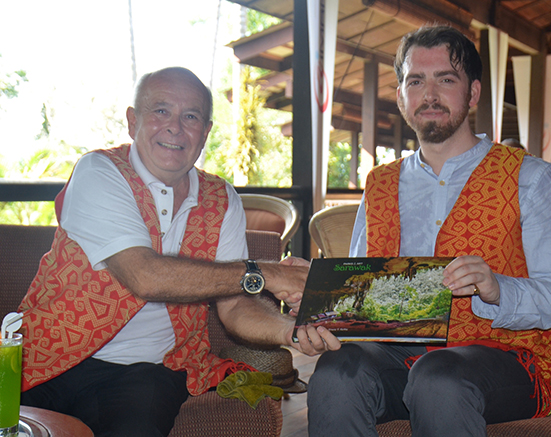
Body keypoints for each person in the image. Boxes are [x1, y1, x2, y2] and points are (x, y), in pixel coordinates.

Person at [18, 66, 339, 437]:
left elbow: (235, 305)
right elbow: (145, 276)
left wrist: (292, 331)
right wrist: (271, 272)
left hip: (147, 371)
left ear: (205, 132)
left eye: (190, 116)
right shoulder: (100, 171)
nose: (175, 127)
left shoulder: (222, 200)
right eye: (160, 111)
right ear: (132, 121)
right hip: (49, 358)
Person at [307, 25, 551, 436]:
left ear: (472, 93)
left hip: (505, 360)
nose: (429, 94)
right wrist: (319, 306)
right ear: (401, 95)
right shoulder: (379, 183)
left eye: (446, 79)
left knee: (438, 377)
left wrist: (498, 288)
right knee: (335, 370)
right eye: (415, 80)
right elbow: (362, 298)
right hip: (399, 357)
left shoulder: (528, 177)